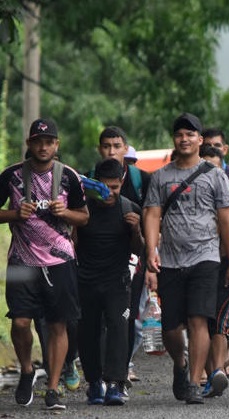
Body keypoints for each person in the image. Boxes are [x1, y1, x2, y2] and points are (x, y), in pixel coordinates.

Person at [143, 113, 229, 405]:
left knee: (199, 319)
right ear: (174, 139)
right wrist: (151, 250)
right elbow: (152, 213)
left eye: (190, 134)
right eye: (179, 134)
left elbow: (226, 222)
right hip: (171, 260)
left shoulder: (215, 176)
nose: (184, 139)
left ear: (200, 139)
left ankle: (195, 381)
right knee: (171, 327)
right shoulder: (161, 176)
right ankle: (181, 364)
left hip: (206, 258)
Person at [0, 118, 89, 410]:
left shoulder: (69, 177)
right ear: (29, 144)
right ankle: (27, 370)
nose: (43, 146)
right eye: (37, 141)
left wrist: (66, 213)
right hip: (21, 260)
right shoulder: (11, 176)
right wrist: (14, 215)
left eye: (49, 141)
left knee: (58, 324)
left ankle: (52, 388)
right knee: (21, 321)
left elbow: (84, 217)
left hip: (60, 261)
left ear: (56, 145)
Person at [76, 158, 143, 406]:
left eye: (114, 187)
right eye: (104, 187)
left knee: (118, 327)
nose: (109, 192)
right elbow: (72, 244)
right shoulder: (82, 209)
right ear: (96, 184)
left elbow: (139, 249)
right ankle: (94, 383)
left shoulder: (129, 208)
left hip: (117, 280)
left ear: (121, 182)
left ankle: (115, 383)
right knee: (88, 332)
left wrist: (135, 231)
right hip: (86, 280)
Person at [94, 126, 152, 386]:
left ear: (125, 149)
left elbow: (153, 220)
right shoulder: (89, 180)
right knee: (97, 319)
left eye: (116, 146)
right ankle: (101, 371)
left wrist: (151, 260)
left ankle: (122, 369)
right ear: (100, 149)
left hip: (133, 259)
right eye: (106, 146)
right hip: (95, 261)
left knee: (127, 317)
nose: (111, 151)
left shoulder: (142, 180)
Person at [198, 144, 229, 397]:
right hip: (194, 266)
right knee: (200, 321)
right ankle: (204, 371)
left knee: (220, 320)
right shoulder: (190, 197)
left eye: (214, 168)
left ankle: (215, 372)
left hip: (224, 266)